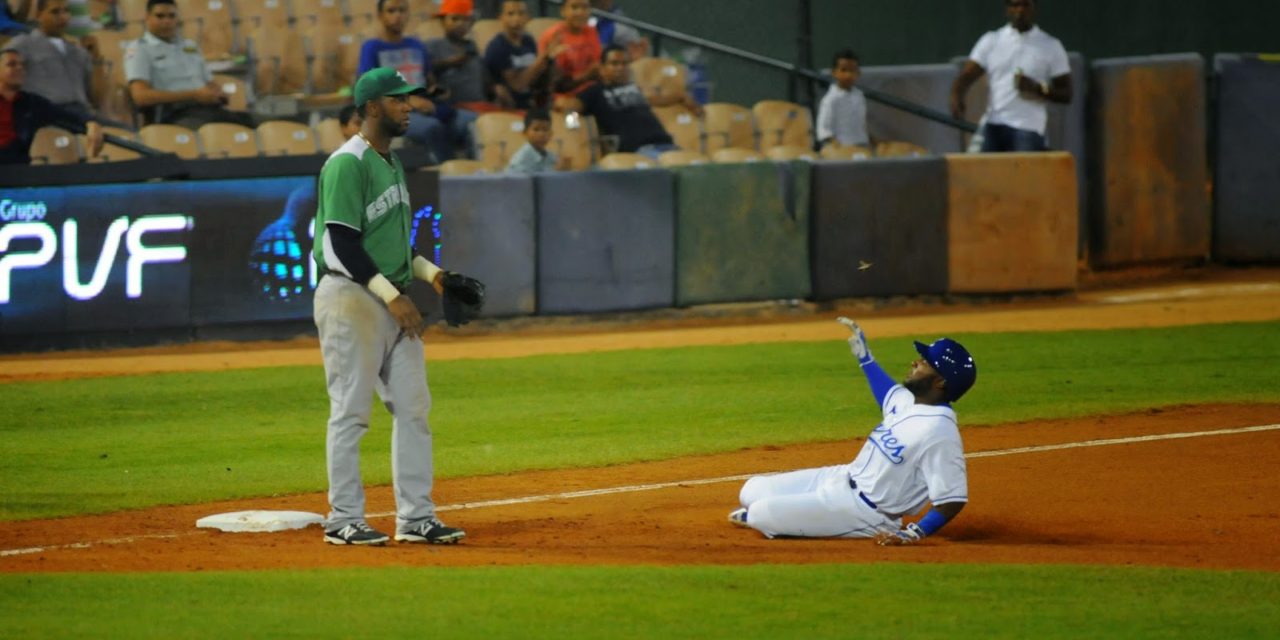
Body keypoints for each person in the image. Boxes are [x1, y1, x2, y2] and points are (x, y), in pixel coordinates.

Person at [312, 66, 467, 547]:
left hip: (390, 298)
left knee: (414, 408)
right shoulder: (348, 162)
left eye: (410, 99)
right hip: (350, 299)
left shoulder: (391, 163)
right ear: (373, 106)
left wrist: (433, 275)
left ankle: (416, 517)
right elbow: (339, 243)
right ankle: (342, 519)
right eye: (400, 99)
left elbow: (394, 247)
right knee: (352, 411)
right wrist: (392, 294)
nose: (409, 107)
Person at [729, 317, 977, 545]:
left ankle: (773, 516)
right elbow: (886, 393)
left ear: (941, 382)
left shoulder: (940, 432)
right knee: (751, 490)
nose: (916, 362)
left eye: (925, 362)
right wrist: (865, 357)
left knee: (761, 514)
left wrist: (912, 533)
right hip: (839, 477)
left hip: (864, 512)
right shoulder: (910, 402)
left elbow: (952, 499)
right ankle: (780, 513)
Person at [358, 0, 474, 163]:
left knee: (471, 122)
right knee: (432, 128)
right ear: (380, 16)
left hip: (426, 106)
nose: (397, 16)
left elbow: (429, 80)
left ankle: (476, 173)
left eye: (402, 10)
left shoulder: (417, 45)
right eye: (391, 11)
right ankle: (446, 177)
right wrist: (408, 100)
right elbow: (369, 88)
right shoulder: (372, 47)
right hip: (395, 113)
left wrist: (437, 92)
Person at [949, 0, 1071, 152]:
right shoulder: (991, 41)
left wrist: (1038, 88)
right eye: (1015, 5)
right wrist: (956, 95)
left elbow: (1066, 93)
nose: (1020, 10)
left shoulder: (1051, 46)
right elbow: (967, 75)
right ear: (1007, 9)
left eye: (1025, 5)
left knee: (1021, 174)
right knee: (983, 171)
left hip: (1028, 126)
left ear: (1033, 8)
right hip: (994, 123)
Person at [124, 0, 253, 128]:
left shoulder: (190, 46)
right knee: (219, 131)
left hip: (209, 110)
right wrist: (194, 95)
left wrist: (218, 93)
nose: (167, 21)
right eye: (160, 16)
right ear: (147, 18)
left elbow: (209, 82)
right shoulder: (139, 49)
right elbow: (140, 96)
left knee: (265, 122)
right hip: (174, 115)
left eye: (171, 16)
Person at [567, 44, 678, 161]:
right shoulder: (595, 91)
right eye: (614, 64)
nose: (620, 68)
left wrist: (682, 98)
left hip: (667, 145)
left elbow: (660, 98)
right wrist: (571, 118)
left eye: (624, 64)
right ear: (602, 68)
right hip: (638, 151)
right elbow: (570, 107)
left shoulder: (635, 87)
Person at [4, 0, 104, 123]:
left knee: (124, 134)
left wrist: (96, 60)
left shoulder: (79, 52)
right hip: (46, 116)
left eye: (66, 11)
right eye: (55, 12)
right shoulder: (23, 44)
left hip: (83, 116)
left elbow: (97, 99)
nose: (63, 17)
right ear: (38, 14)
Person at [0, 47, 103, 163]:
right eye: (12, 64)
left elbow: (67, 116)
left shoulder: (32, 103)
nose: (20, 68)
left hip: (16, 166)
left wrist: (90, 123)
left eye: (22, 65)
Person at [424, 0, 510, 110]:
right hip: (452, 107)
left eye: (465, 19)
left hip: (480, 104)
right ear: (442, 21)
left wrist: (496, 88)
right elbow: (425, 73)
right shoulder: (434, 45)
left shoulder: (471, 46)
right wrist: (448, 63)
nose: (460, 24)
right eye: (454, 19)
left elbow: (484, 76)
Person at [483, 0, 558, 110]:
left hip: (532, 102)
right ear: (500, 18)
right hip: (508, 105)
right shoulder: (497, 47)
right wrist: (541, 59)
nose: (516, 19)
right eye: (510, 14)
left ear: (528, 18)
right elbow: (517, 85)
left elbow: (538, 80)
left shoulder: (529, 41)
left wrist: (550, 61)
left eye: (521, 13)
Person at [537, 0, 600, 100]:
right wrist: (586, 75)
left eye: (585, 8)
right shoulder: (552, 36)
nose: (580, 12)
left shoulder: (591, 31)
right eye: (574, 7)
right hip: (563, 95)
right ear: (563, 11)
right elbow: (554, 83)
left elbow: (597, 65)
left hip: (592, 90)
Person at [815, 49, 870, 150]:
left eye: (852, 70)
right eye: (844, 70)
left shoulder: (859, 96)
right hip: (839, 149)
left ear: (858, 73)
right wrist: (838, 147)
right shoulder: (830, 99)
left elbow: (862, 125)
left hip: (861, 147)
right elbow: (824, 130)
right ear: (834, 72)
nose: (848, 75)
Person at [505, 108, 566, 173]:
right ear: (525, 133)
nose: (541, 134)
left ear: (551, 134)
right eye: (536, 129)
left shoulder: (552, 157)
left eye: (545, 130)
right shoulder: (520, 160)